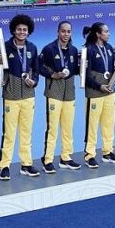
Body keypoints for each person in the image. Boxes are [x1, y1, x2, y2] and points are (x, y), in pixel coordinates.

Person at [0, 14, 40, 180]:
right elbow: (0, 71)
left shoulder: (33, 48)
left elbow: (36, 70)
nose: (22, 32)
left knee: (26, 132)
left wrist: (34, 81)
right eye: (19, 29)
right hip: (11, 96)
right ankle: (4, 165)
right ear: (14, 31)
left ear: (28, 32)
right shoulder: (5, 47)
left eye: (25, 30)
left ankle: (26, 164)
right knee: (9, 133)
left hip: (29, 96)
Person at [38, 21, 82, 172]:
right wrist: (52, 74)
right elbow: (39, 66)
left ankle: (66, 157)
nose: (65, 34)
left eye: (68, 31)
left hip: (69, 92)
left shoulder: (74, 50)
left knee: (68, 128)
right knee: (52, 128)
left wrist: (83, 66)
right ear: (58, 32)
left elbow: (75, 70)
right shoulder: (49, 49)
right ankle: (48, 159)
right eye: (63, 31)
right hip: (54, 92)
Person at [82, 22, 115, 167]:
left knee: (108, 123)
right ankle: (89, 154)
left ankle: (107, 151)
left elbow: (111, 69)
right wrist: (99, 86)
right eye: (106, 31)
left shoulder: (110, 48)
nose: (109, 34)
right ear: (98, 34)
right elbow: (84, 75)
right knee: (92, 125)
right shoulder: (88, 50)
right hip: (94, 93)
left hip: (109, 92)